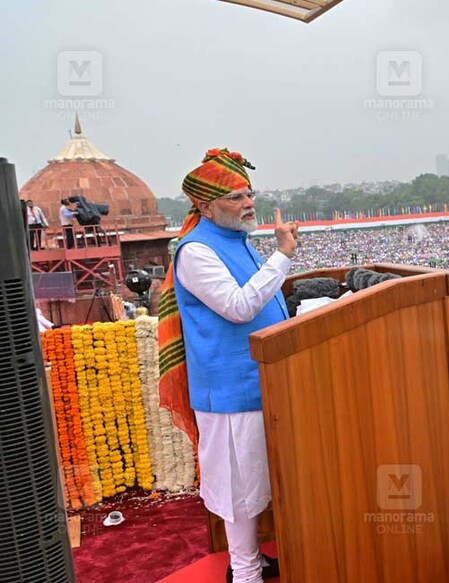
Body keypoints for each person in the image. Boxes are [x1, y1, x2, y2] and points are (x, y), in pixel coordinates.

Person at [157, 149, 297, 583]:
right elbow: (239, 308)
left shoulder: (237, 242)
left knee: (262, 481)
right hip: (230, 390)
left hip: (264, 380)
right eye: (236, 197)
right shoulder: (196, 252)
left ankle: (250, 559)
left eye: (248, 193)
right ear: (205, 205)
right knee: (239, 489)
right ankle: (245, 572)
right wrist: (283, 255)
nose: (248, 203)